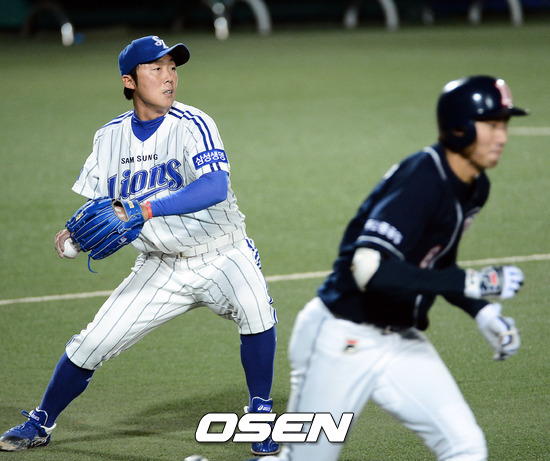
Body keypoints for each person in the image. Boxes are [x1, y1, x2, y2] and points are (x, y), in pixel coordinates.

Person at [0, 35, 279, 456]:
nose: (169, 78)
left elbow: (215, 186)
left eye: (173, 68)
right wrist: (74, 231)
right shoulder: (108, 137)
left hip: (224, 252)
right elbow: (101, 202)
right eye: (157, 68)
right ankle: (41, 422)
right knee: (92, 343)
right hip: (160, 265)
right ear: (129, 81)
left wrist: (145, 209)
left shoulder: (193, 123)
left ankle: (260, 413)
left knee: (256, 312)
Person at [247, 75, 528, 461]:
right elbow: (369, 271)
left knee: (466, 447)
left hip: (401, 340)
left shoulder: (475, 186)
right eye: (492, 125)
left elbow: (436, 261)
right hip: (341, 334)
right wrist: (472, 282)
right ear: (459, 127)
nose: (502, 137)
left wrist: (480, 310)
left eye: (504, 125)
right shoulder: (422, 178)